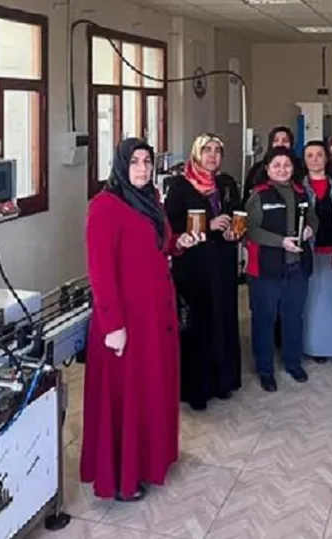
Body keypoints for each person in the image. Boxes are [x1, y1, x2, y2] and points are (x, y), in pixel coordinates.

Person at [81, 138, 199, 501]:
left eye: (147, 161)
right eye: (134, 162)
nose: (143, 169)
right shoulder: (105, 206)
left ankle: (150, 460)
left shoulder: (151, 200)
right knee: (126, 396)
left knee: (151, 389)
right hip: (126, 321)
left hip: (155, 317)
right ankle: (122, 477)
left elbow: (157, 246)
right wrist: (113, 326)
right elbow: (100, 271)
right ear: (120, 166)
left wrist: (179, 243)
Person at [164, 133, 243, 411]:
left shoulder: (226, 183)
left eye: (217, 151)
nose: (212, 155)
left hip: (222, 262)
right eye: (206, 150)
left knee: (223, 317)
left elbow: (238, 215)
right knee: (197, 323)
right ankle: (198, 389)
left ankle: (223, 382)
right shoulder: (180, 185)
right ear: (196, 153)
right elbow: (169, 226)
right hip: (194, 266)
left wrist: (235, 232)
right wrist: (208, 226)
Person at [245, 147, 318, 392]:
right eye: (276, 165)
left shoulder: (301, 192)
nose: (282, 170)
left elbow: (313, 218)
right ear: (267, 168)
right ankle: (265, 370)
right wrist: (280, 242)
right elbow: (250, 230)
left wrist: (310, 228)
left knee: (293, 318)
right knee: (264, 320)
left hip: (297, 268)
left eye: (286, 165)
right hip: (266, 270)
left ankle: (292, 362)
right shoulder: (259, 195)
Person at [301, 141, 332, 370]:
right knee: (313, 304)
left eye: (319, 154)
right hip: (310, 251)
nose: (315, 159)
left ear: (326, 158)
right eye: (310, 155)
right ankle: (318, 348)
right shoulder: (299, 188)